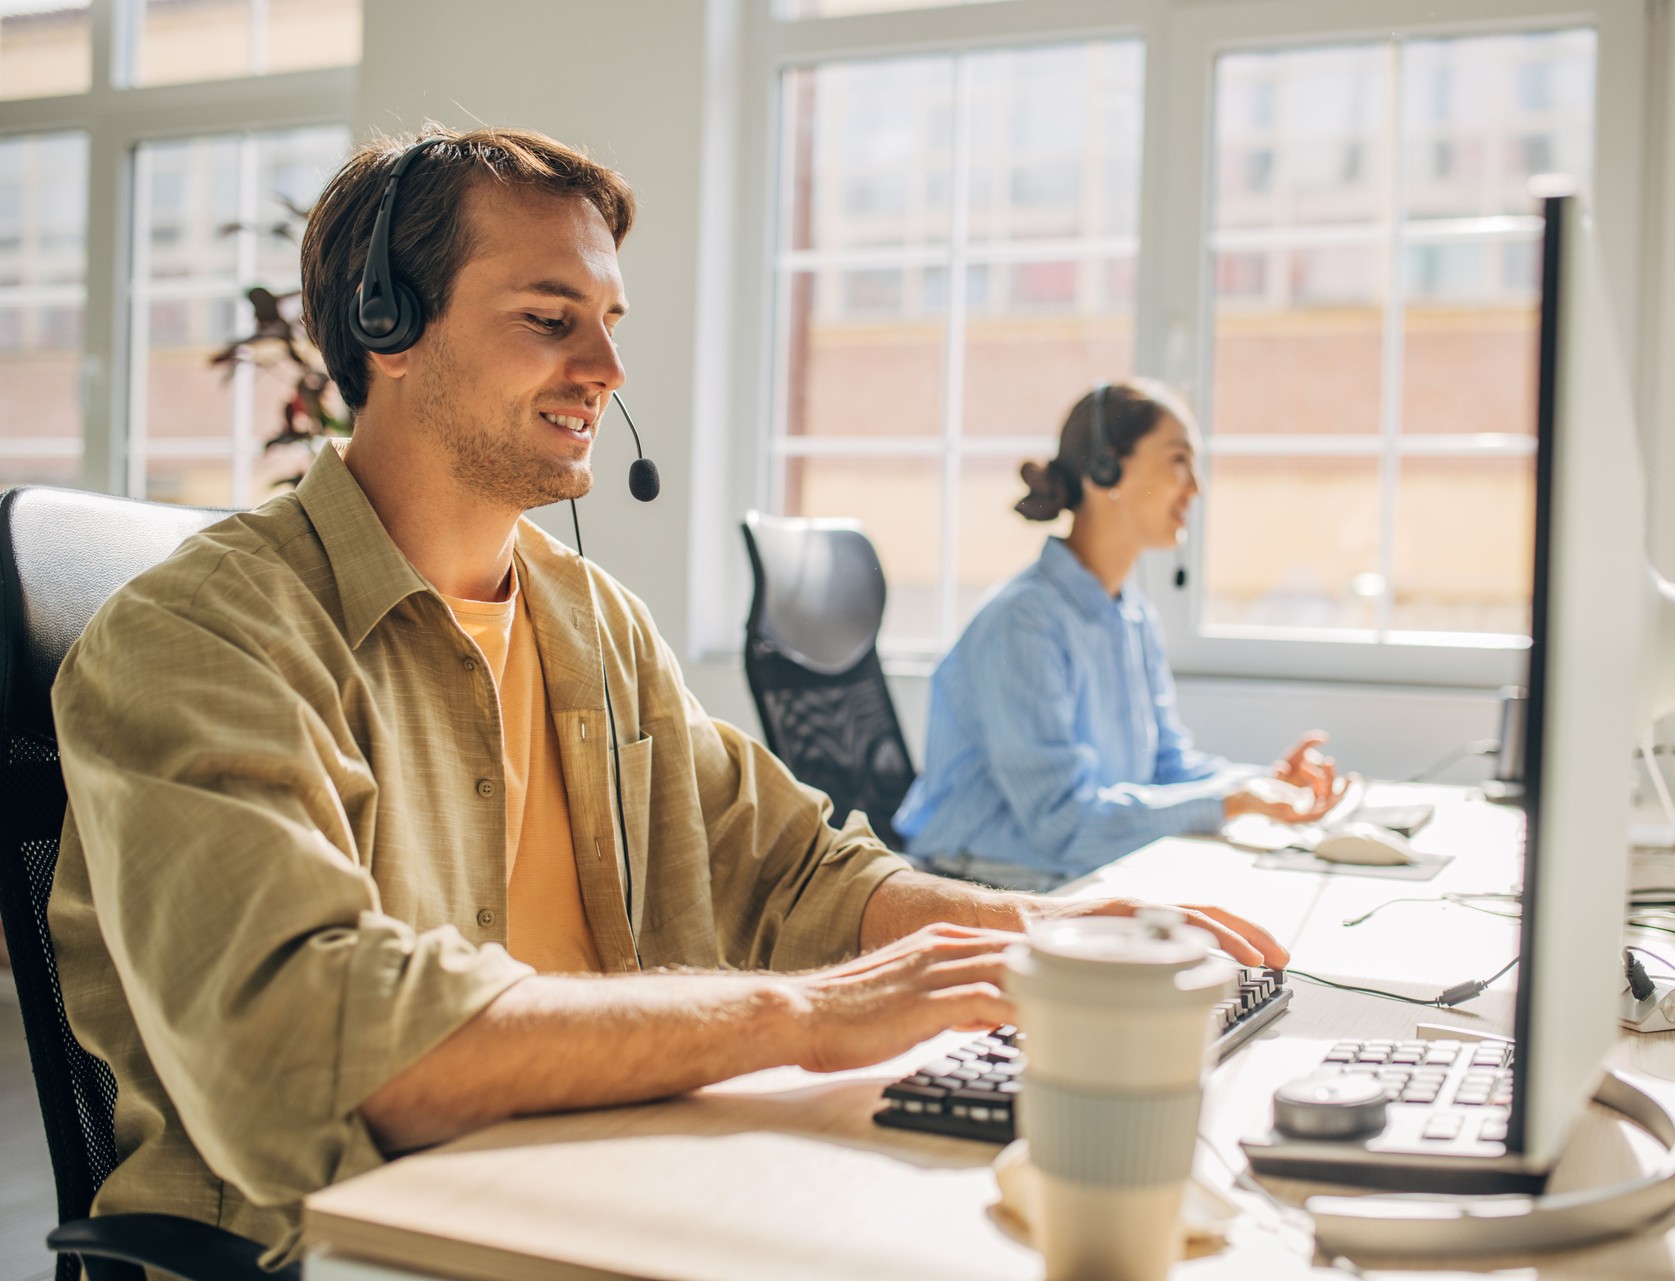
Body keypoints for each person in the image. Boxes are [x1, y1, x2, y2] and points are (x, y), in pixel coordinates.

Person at [46, 128, 1287, 1266]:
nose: (606, 366)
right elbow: (314, 1044)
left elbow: (798, 875)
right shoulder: (201, 638)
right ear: (389, 325)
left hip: (621, 1182)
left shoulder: (595, 624)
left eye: (608, 319)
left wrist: (1042, 940)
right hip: (362, 1244)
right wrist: (799, 1014)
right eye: (549, 318)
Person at [893, 378, 1350, 890]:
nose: (1195, 487)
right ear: (1105, 469)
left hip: (1069, 870)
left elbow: (1166, 766)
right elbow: (1061, 825)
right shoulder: (1024, 622)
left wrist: (1257, 784)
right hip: (977, 885)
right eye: (1178, 460)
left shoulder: (1130, 614)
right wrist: (1227, 801)